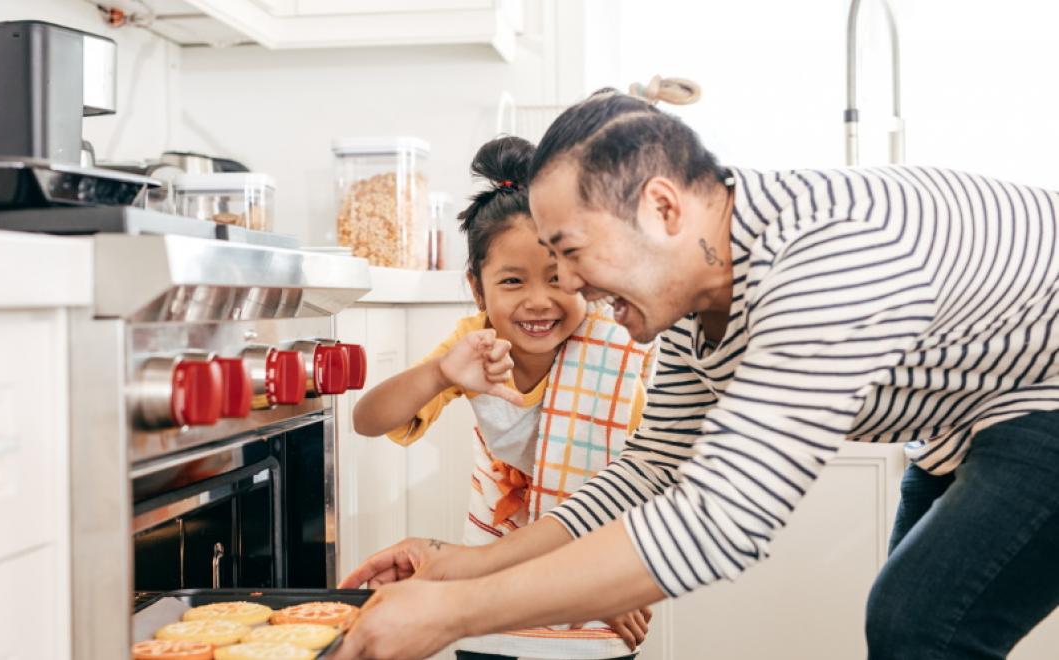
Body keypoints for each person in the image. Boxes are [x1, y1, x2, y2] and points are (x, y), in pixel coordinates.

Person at [333, 89, 1059, 660]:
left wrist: (454, 613)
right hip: (971, 413)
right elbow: (650, 470)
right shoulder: (694, 295)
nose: (572, 287)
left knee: (919, 625)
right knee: (911, 630)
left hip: (1045, 391)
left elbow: (722, 519)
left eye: (573, 252)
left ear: (661, 209)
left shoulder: (830, 261)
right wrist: (463, 566)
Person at [350, 135, 656, 659]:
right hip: (489, 570)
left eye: (558, 279)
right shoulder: (475, 345)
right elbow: (368, 419)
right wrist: (441, 373)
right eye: (512, 281)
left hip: (601, 573)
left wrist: (614, 577)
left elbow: (644, 474)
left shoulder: (621, 345)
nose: (539, 301)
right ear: (477, 288)